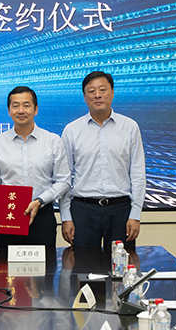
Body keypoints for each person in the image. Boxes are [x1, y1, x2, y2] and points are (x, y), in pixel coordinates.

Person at [0, 86, 71, 249]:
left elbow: (63, 182)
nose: (21, 110)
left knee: (44, 265)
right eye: (15, 105)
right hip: (8, 218)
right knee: (5, 264)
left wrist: (39, 201)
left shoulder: (53, 141)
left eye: (26, 105)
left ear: (36, 109)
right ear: (9, 110)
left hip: (42, 218)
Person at [60, 71, 146, 249]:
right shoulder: (72, 130)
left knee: (120, 264)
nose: (97, 95)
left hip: (120, 209)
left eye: (102, 90)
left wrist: (135, 214)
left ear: (112, 93)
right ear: (85, 97)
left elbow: (138, 173)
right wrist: (66, 217)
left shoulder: (130, 127)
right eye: (91, 91)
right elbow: (64, 178)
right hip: (83, 210)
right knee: (83, 264)